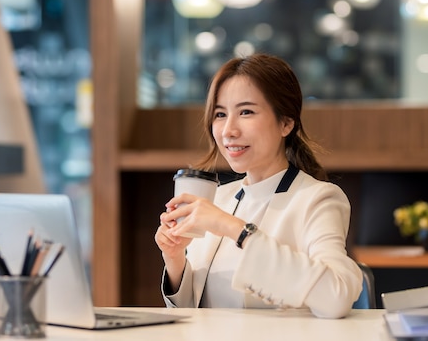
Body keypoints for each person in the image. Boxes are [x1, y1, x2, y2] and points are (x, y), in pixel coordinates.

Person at [154, 53, 362, 318]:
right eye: (220, 114)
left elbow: (337, 298)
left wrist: (234, 228)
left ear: (286, 123)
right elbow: (192, 313)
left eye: (246, 112)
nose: (228, 130)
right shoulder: (219, 198)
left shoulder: (318, 198)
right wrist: (175, 260)